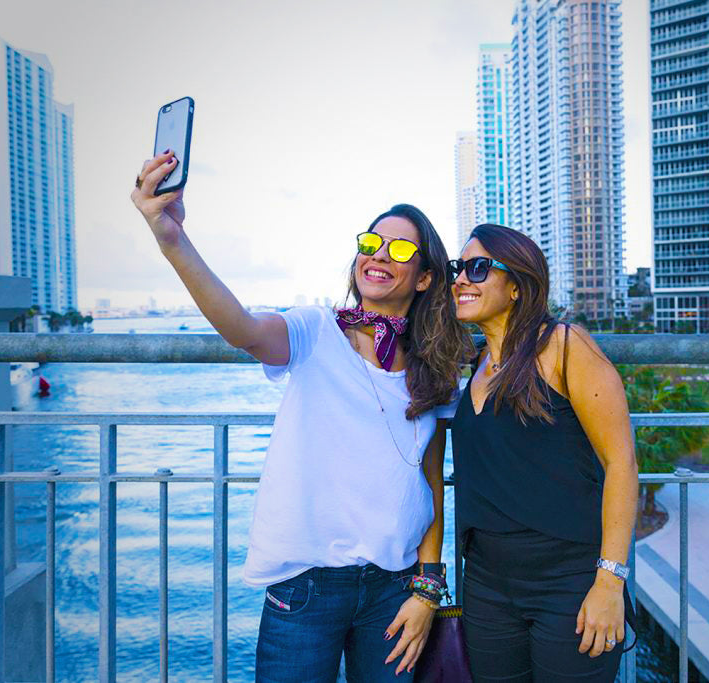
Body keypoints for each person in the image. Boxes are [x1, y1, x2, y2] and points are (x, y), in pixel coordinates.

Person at [131, 151, 473, 682]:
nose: (378, 255)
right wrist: (171, 238)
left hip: (397, 587)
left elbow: (429, 478)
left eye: (400, 248)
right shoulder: (317, 330)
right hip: (307, 585)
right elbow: (242, 328)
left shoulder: (435, 363)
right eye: (369, 243)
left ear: (426, 278)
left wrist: (430, 585)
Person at [448, 223, 639, 682]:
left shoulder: (565, 347)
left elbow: (621, 465)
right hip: (487, 586)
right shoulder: (475, 364)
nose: (460, 280)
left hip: (569, 582)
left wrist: (610, 581)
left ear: (516, 285)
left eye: (476, 268)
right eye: (458, 269)